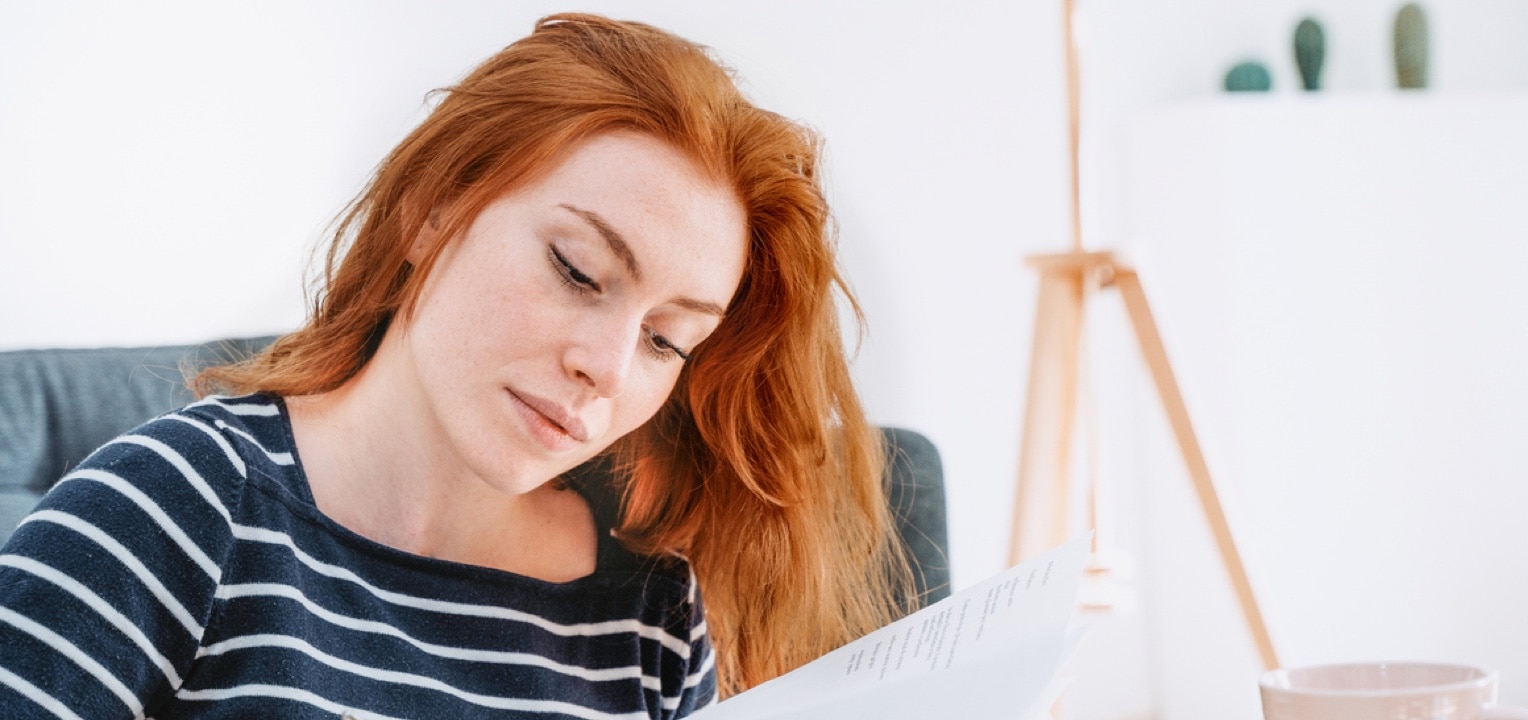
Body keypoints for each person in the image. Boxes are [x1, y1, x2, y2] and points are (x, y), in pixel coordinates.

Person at [0, 13, 911, 719]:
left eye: (667, 339)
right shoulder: (172, 509)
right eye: (577, 271)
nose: (607, 365)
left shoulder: (651, 620)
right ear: (434, 209)